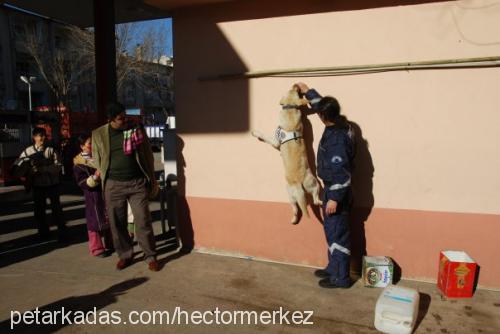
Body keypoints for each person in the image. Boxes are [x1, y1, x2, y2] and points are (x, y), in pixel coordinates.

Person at [295, 82, 355, 289]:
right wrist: (307, 90)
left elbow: (342, 173)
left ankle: (342, 278)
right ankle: (333, 268)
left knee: (338, 234)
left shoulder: (338, 140)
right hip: (331, 190)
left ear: (323, 117)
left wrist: (334, 199)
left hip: (337, 192)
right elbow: (322, 105)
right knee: (332, 232)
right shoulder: (339, 123)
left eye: (320, 113)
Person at [91, 102, 159, 271]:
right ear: (111, 119)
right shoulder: (98, 134)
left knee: (143, 220)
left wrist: (152, 178)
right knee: (117, 223)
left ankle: (150, 255)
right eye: (120, 118)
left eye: (125, 116)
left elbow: (147, 155)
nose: (124, 120)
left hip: (137, 183)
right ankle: (125, 255)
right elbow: (97, 159)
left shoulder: (135, 129)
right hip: (114, 185)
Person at [15, 127, 66, 241]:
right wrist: (30, 171)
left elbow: (58, 166)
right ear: (34, 137)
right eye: (39, 135)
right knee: (39, 211)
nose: (42, 137)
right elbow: (19, 167)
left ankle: (62, 232)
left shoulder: (51, 150)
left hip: (52, 184)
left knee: (56, 209)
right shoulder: (27, 152)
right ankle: (43, 232)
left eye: (44, 135)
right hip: (37, 186)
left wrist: (45, 169)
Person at [73, 133, 113, 257]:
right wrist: (95, 177)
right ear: (82, 146)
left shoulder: (98, 157)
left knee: (108, 218)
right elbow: (82, 182)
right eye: (89, 144)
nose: (92, 146)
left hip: (104, 192)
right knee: (94, 222)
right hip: (92, 196)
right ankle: (96, 248)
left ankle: (111, 243)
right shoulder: (79, 163)